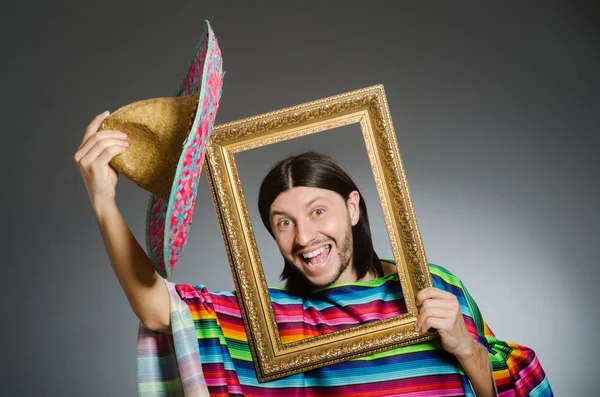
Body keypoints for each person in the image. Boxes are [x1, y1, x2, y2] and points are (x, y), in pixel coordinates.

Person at [75, 112, 554, 396]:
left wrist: (466, 347)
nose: (304, 237)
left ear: (352, 206)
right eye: (284, 223)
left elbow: (507, 387)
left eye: (317, 211)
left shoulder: (431, 284)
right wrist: (102, 200)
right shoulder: (276, 321)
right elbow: (161, 310)